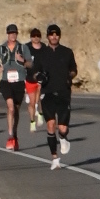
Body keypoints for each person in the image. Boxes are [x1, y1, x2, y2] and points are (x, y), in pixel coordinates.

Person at [35, 23, 78, 163]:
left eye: (56, 34)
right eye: (51, 34)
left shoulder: (67, 52)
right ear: (47, 36)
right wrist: (39, 76)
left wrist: (70, 76)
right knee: (51, 125)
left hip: (63, 92)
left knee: (63, 128)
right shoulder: (41, 54)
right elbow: (34, 72)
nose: (54, 37)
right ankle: (54, 157)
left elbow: (74, 69)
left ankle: (63, 137)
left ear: (59, 36)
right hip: (47, 92)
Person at [0, 24, 29, 149]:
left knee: (16, 110)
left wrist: (23, 60)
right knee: (10, 108)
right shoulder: (2, 48)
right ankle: (10, 136)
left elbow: (30, 63)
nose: (13, 35)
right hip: (6, 82)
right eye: (11, 33)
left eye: (15, 33)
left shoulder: (22, 48)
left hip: (19, 82)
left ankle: (14, 134)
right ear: (7, 34)